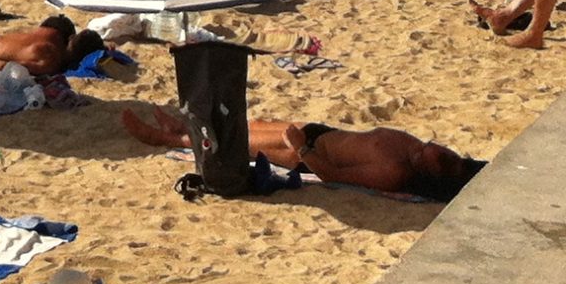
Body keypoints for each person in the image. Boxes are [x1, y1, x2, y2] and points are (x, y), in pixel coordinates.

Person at [119, 103, 482, 200]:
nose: (443, 149)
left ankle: (165, 139)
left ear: (435, 173)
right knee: (243, 126)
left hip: (299, 151)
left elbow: (334, 175)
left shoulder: (395, 171)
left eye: (446, 159)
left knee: (228, 142)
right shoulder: (414, 149)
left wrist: (301, 148)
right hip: (317, 132)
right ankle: (180, 127)